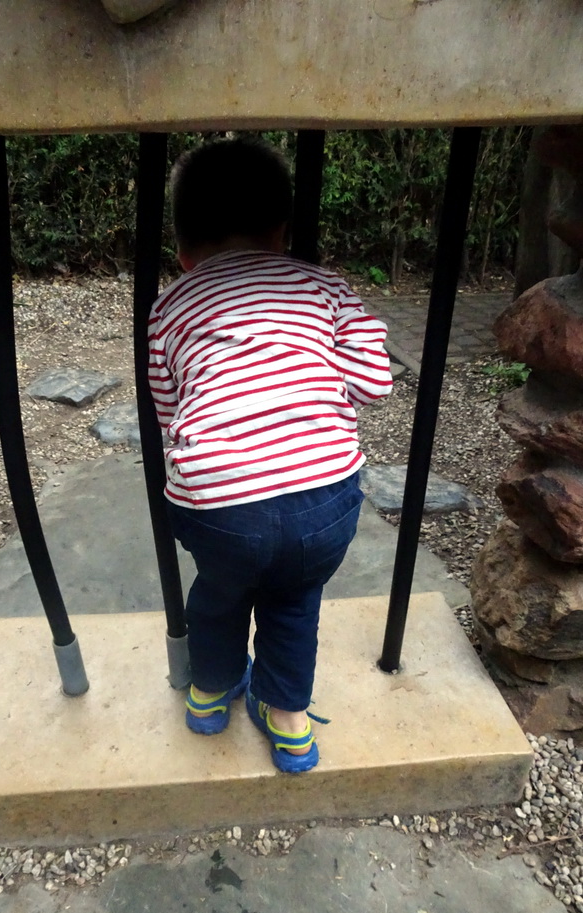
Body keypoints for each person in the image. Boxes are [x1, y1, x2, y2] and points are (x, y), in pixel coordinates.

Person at [148, 138, 392, 773]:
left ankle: (208, 695)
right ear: (283, 232)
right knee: (293, 601)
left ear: (182, 251)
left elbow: (167, 409)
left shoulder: (170, 306)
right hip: (323, 502)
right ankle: (289, 723)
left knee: (219, 593)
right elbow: (375, 385)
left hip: (217, 506)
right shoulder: (322, 286)